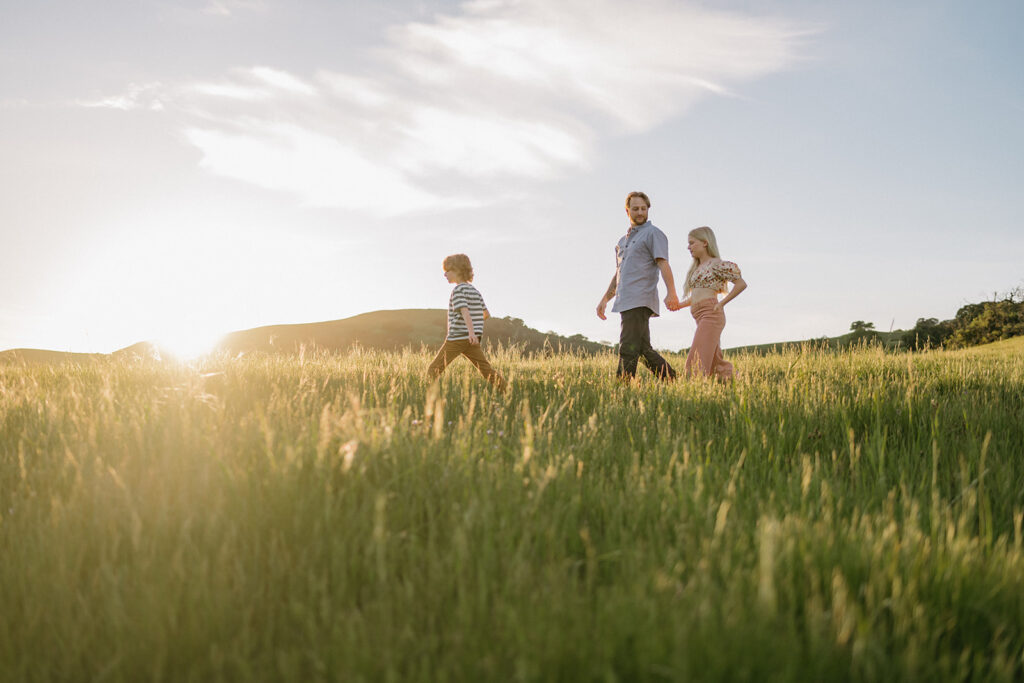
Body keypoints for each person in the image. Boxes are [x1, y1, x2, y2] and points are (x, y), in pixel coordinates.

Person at [596, 191, 679, 381]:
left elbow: (663, 263)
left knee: (627, 347)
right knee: (642, 349)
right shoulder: (622, 242)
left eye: (643, 208)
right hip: (624, 300)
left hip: (640, 298)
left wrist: (671, 292)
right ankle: (672, 379)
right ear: (627, 211)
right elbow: (619, 274)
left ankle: (622, 390)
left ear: (648, 209)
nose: (640, 212)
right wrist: (604, 299)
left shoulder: (653, 234)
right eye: (635, 209)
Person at [667, 226, 747, 380]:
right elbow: (696, 296)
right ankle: (738, 384)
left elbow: (741, 284)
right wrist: (679, 305)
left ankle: (692, 389)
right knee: (715, 363)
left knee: (697, 358)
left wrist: (722, 303)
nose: (688, 247)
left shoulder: (716, 264)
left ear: (705, 242)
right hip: (700, 315)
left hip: (711, 314)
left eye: (692, 243)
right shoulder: (697, 269)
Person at [427, 253, 507, 391]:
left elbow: (464, 311)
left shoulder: (458, 290)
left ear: (457, 270)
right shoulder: (475, 291)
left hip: (458, 338)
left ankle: (429, 397)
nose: (444, 275)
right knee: (486, 369)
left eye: (447, 271)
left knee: (433, 369)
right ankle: (506, 391)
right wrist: (474, 330)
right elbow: (486, 314)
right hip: (472, 339)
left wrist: (470, 331)